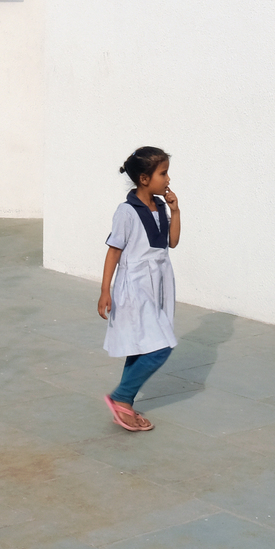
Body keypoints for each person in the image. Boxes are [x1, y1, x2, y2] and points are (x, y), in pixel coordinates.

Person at [98, 146, 180, 432]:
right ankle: (120, 396)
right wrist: (105, 291)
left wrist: (175, 210)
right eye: (163, 173)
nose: (168, 179)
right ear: (144, 179)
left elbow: (172, 242)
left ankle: (124, 404)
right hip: (135, 285)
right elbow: (114, 252)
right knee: (161, 347)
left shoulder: (159, 207)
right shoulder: (126, 212)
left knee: (141, 344)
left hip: (158, 282)